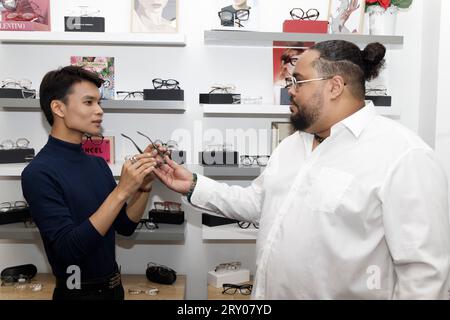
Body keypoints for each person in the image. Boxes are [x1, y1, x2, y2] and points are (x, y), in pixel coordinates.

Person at [153, 40, 450, 299]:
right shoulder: (293, 145)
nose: (290, 91)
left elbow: (424, 276)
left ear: (334, 86)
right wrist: (192, 184)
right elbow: (257, 203)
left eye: (298, 81)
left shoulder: (404, 156)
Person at [21, 66, 157, 300]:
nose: (100, 111)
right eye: (89, 102)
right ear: (58, 108)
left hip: (115, 290)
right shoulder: (38, 173)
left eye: (99, 102)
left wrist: (143, 185)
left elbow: (125, 226)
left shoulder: (97, 165)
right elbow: (68, 249)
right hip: (76, 293)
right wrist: (122, 191)